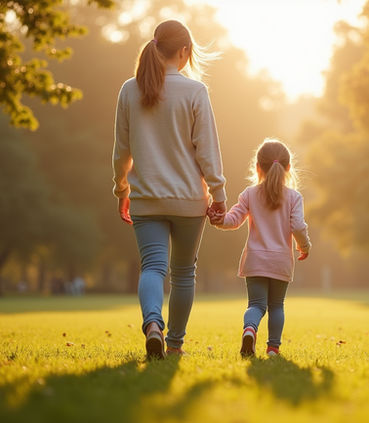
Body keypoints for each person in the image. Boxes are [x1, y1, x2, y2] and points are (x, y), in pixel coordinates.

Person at [112, 20, 226, 359]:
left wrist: (121, 192)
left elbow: (122, 152)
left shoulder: (128, 90)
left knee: (152, 268)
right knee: (183, 273)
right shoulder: (195, 91)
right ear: (185, 51)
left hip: (145, 199)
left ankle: (152, 327)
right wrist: (218, 196)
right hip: (190, 201)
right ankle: (174, 345)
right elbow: (207, 151)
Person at [209, 139, 311, 357]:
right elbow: (298, 227)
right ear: (288, 168)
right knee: (276, 306)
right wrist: (304, 246)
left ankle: (249, 329)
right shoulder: (294, 197)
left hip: (255, 261)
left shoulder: (249, 194)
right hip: (281, 261)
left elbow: (233, 220)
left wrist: (218, 220)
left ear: (257, 167)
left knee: (256, 304)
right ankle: (273, 348)